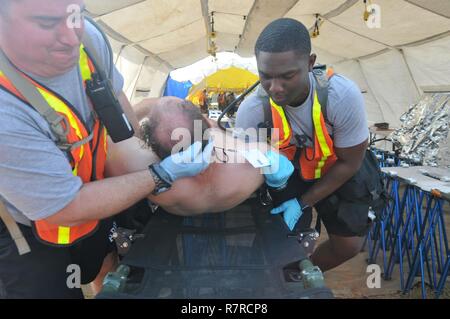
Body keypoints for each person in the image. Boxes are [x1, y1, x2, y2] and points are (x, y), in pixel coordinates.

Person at [0, 0, 216, 298]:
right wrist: (160, 174)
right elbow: (65, 208)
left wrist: (152, 133)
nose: (69, 36)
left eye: (76, 14)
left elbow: (122, 120)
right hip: (29, 229)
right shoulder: (6, 112)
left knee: (100, 261)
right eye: (46, 23)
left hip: (90, 192)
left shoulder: (87, 40)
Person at [235, 18, 386, 271]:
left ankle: (306, 272)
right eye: (265, 76)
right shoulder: (253, 109)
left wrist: (304, 202)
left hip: (338, 166)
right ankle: (290, 274)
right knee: (284, 241)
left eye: (287, 76)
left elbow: (351, 162)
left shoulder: (340, 96)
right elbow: (244, 169)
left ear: (310, 63)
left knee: (348, 246)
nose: (275, 88)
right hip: (289, 173)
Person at [106, 97, 295, 218]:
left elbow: (112, 135)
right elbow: (278, 165)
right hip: (232, 193)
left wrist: (148, 105)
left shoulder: (142, 174)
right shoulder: (251, 166)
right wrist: (216, 133)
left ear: (152, 148)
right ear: (206, 124)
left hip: (178, 208)